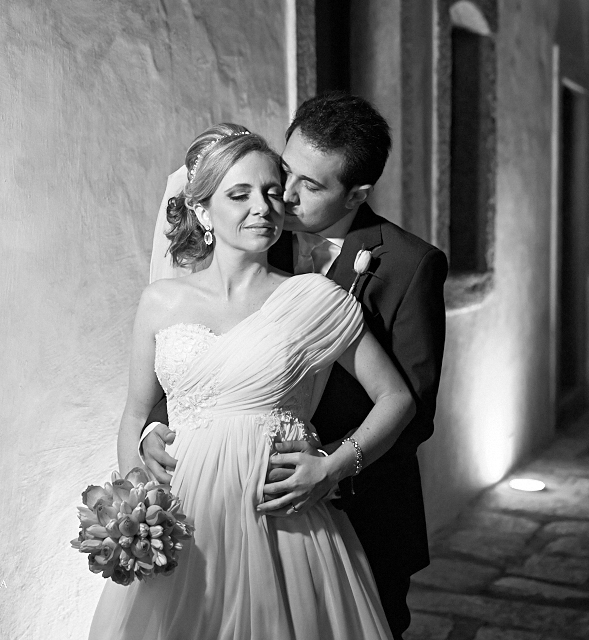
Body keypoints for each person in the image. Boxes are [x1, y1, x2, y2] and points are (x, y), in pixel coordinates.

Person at [89, 123, 416, 639]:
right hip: (185, 518)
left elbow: (397, 397)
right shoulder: (160, 303)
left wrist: (331, 466)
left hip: (280, 519)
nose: (262, 207)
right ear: (203, 211)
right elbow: (135, 413)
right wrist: (139, 503)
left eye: (271, 192)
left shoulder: (314, 298)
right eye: (239, 195)